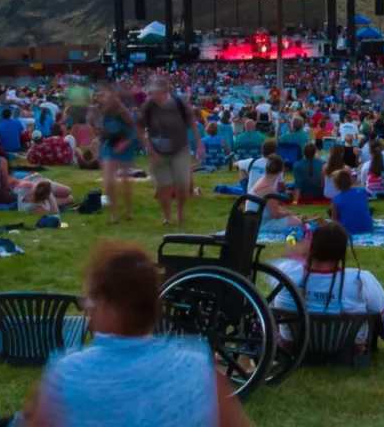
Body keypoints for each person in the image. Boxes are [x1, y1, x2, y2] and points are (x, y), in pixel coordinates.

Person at [29, 240, 249, 427]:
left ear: (106, 307)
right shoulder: (199, 370)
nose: (88, 310)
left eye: (89, 301)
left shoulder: (68, 374)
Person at [270, 221, 384, 348]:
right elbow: (379, 309)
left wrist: (297, 253)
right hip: (347, 347)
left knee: (275, 300)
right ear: (342, 251)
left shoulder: (286, 272)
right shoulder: (360, 279)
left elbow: (273, 268)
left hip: (295, 347)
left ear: (312, 247)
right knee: (372, 300)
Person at [137, 79, 202, 227]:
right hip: (158, 149)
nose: (152, 95)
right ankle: (167, 217)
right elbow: (140, 130)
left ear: (164, 92)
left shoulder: (178, 104)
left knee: (182, 183)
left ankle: (180, 214)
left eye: (155, 92)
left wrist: (199, 142)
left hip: (180, 147)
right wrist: (151, 150)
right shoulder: (149, 106)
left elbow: (192, 121)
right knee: (164, 185)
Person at [98, 87, 137, 224]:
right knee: (109, 181)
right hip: (110, 147)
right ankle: (113, 213)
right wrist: (99, 151)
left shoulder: (122, 112)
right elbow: (103, 133)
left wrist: (126, 143)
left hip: (124, 147)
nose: (102, 100)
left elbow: (133, 128)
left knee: (126, 182)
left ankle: (128, 209)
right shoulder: (105, 113)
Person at [250, 156, 301, 232]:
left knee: (294, 218)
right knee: (297, 222)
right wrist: (288, 213)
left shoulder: (262, 181)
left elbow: (274, 207)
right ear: (281, 172)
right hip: (261, 224)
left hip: (253, 220)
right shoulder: (269, 189)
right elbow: (275, 214)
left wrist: (287, 213)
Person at [330, 168, 373, 235]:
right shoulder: (363, 191)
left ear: (336, 184)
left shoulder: (336, 199)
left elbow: (334, 221)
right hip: (367, 226)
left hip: (347, 229)